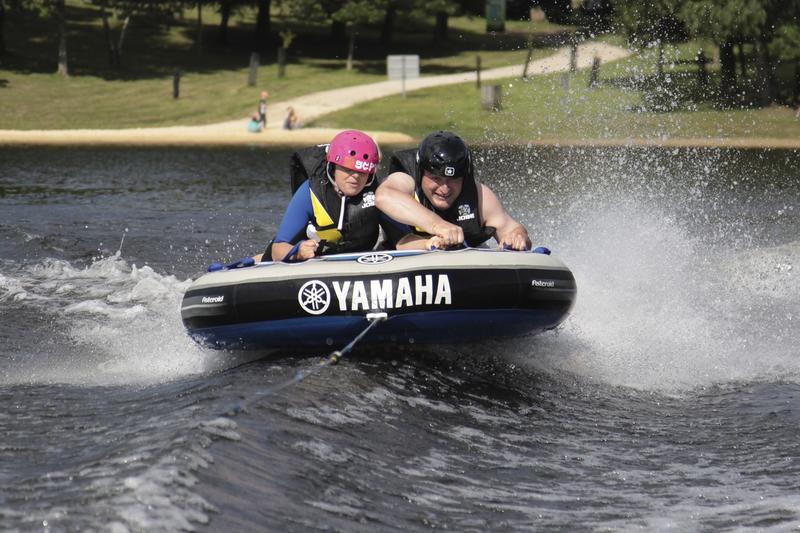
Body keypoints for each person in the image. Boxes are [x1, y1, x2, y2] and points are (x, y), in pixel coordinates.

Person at [376, 130, 530, 251]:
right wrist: (437, 226)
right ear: (421, 172)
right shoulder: (404, 179)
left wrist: (518, 236)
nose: (444, 189)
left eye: (453, 179)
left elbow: (511, 228)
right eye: (436, 178)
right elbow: (384, 196)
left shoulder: (480, 196)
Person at [258, 130, 382, 262]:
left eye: (362, 172)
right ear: (333, 168)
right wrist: (298, 253)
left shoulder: (379, 195)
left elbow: (397, 238)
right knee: (261, 258)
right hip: (302, 259)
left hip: (354, 260)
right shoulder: (309, 192)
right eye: (348, 169)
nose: (356, 176)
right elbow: (277, 249)